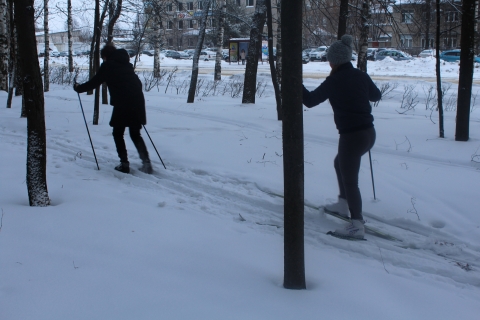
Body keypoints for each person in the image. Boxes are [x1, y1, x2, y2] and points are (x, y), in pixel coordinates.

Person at [302, 35, 381, 239]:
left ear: (334, 61)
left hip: (352, 137)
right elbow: (376, 95)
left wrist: (295, 84)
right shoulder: (360, 75)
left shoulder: (334, 80)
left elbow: (310, 101)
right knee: (340, 164)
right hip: (368, 135)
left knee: (350, 181)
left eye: (329, 59)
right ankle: (342, 205)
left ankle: (356, 224)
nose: (329, 62)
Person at [74, 44, 153, 174]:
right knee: (135, 133)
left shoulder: (107, 66)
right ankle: (147, 163)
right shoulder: (127, 65)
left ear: (105, 56)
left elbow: (94, 83)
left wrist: (78, 88)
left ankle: (124, 164)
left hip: (123, 103)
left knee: (118, 133)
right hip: (137, 101)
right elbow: (138, 83)